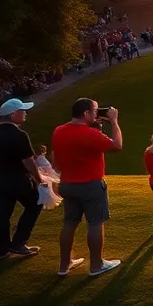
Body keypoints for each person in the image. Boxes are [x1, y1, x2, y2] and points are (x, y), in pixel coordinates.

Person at [52, 98, 123, 277]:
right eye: (95, 111)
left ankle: (64, 265)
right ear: (86, 113)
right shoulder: (89, 134)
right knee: (95, 222)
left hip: (68, 184)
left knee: (69, 223)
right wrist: (114, 121)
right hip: (90, 185)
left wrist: (96, 128)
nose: (98, 114)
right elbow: (117, 145)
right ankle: (96, 265)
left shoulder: (59, 130)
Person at [0, 98, 43, 259]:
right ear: (12, 115)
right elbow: (28, 161)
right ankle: (18, 243)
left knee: (3, 214)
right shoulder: (19, 135)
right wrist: (38, 179)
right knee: (35, 205)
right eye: (22, 111)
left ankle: (1, 250)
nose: (25, 113)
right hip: (18, 180)